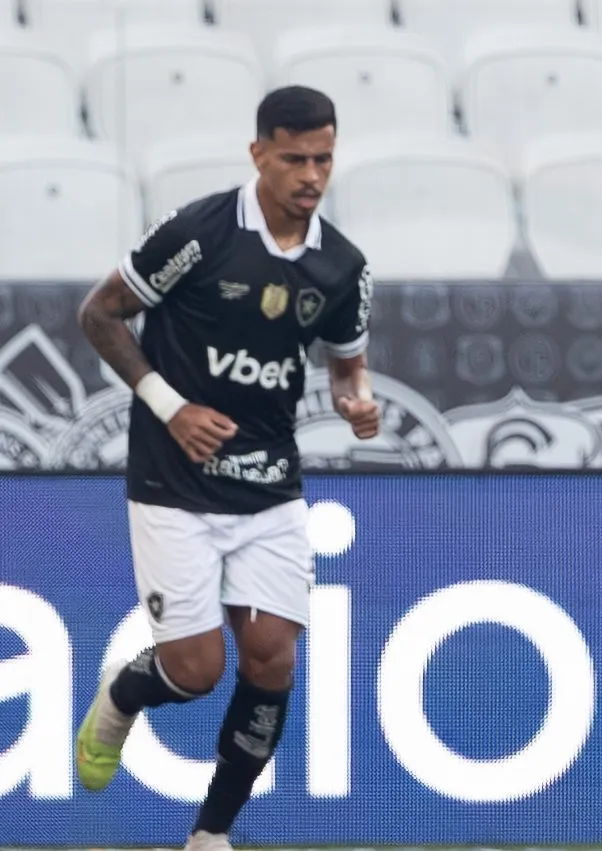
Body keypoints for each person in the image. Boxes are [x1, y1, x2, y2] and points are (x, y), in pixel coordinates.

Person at [72, 86, 377, 851]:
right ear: (258, 154)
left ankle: (211, 833)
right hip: (174, 482)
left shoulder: (341, 264)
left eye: (324, 159)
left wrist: (356, 398)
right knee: (197, 668)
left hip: (270, 486)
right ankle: (122, 693)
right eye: (295, 159)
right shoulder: (198, 233)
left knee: (272, 659)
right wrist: (170, 405)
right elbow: (99, 314)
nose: (312, 175)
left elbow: (347, 364)